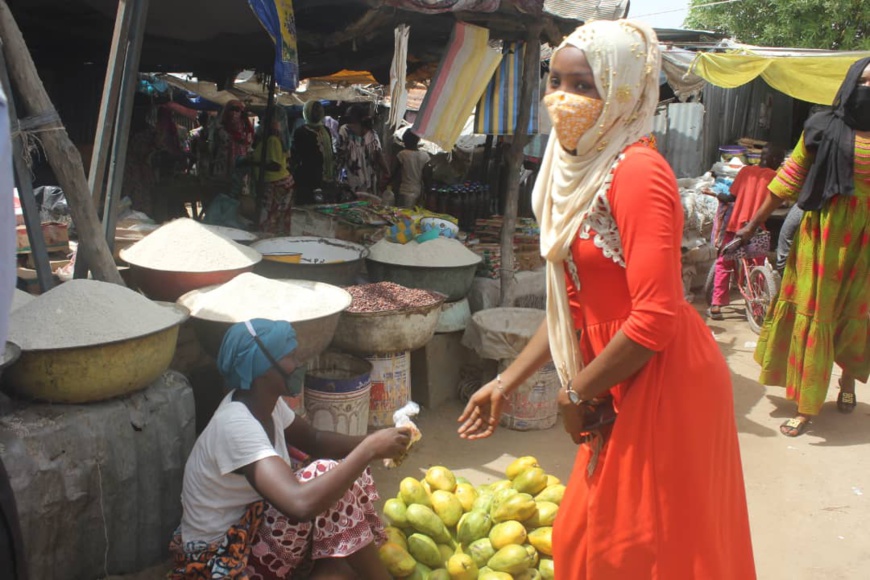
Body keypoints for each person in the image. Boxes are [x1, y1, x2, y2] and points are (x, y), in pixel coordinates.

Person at [458, 20, 756, 579]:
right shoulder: (577, 170)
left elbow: (656, 318)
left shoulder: (638, 173)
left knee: (644, 551)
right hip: (614, 372)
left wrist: (574, 392)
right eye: (556, 81)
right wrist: (505, 382)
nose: (564, 99)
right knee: (589, 539)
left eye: (585, 86)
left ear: (623, 92)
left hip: (663, 378)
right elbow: (572, 309)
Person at [170, 319, 410, 579]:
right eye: (290, 357)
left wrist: (375, 441)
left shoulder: (265, 403)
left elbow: (315, 439)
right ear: (262, 369)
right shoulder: (236, 425)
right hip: (222, 558)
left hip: (253, 528)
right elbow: (299, 504)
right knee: (326, 473)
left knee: (342, 483)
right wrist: (370, 450)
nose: (298, 364)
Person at [735, 57, 870, 437]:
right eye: (864, 81)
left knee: (856, 313)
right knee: (816, 313)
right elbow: (790, 175)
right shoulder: (823, 126)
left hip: (866, 241)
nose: (869, 90)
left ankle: (846, 384)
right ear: (849, 83)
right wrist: (750, 225)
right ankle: (807, 404)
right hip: (822, 237)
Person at [705, 145, 785, 320]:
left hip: (735, 227)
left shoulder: (746, 171)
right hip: (756, 229)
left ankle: (716, 306)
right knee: (757, 264)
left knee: (723, 264)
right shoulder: (776, 178)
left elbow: (731, 196)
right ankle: (757, 308)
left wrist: (719, 196)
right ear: (775, 161)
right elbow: (779, 202)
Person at [252, 118, 295, 235]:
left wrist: (252, 163)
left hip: (276, 184)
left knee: (270, 217)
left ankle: (269, 240)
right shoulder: (271, 140)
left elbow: (275, 165)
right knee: (276, 217)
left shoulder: (272, 140)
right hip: (278, 182)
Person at [336, 104, 389, 196]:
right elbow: (379, 155)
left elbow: (340, 155)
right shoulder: (346, 131)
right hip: (358, 181)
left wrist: (386, 172)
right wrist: (386, 171)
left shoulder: (371, 134)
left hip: (360, 181)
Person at [291, 101, 336, 205]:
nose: (318, 112)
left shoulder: (323, 130)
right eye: (316, 110)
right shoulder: (304, 132)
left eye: (318, 110)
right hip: (317, 179)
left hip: (317, 180)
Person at [211, 100, 254, 181]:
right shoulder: (221, 128)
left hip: (240, 157)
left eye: (237, 110)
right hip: (225, 159)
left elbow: (249, 139)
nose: (234, 113)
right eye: (232, 109)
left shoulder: (245, 125)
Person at [392, 130, 431, 208]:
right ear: (418, 140)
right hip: (418, 191)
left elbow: (394, 173)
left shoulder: (402, 154)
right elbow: (427, 177)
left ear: (405, 141)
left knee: (403, 216)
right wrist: (427, 193)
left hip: (404, 190)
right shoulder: (425, 156)